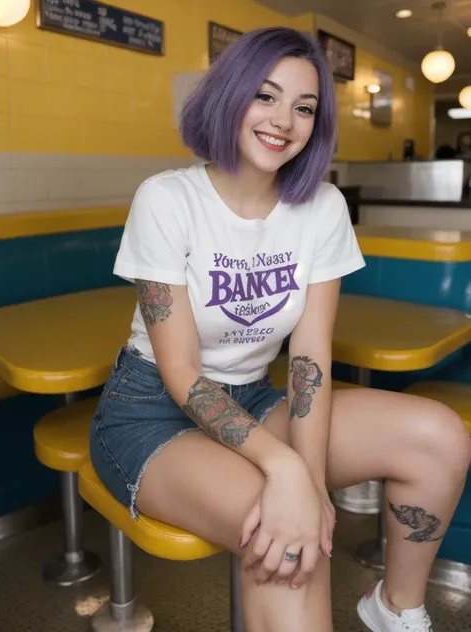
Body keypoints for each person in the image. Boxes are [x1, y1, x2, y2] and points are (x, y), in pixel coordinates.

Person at [90, 27, 470, 632]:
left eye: (304, 107)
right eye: (265, 96)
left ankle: (397, 611)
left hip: (255, 398)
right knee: (286, 539)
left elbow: (309, 357)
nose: (283, 120)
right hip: (151, 412)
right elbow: (182, 372)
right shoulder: (166, 200)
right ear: (230, 95)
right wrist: (288, 473)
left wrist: (309, 480)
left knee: (438, 436)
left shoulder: (322, 207)